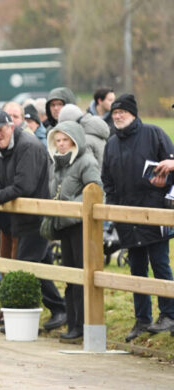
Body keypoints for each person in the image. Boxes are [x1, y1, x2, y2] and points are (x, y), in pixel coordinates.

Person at [0, 110, 67, 330]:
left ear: (11, 127)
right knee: (39, 266)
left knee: (23, 267)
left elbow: (25, 186)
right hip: (20, 218)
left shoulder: (28, 146)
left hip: (36, 217)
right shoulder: (0, 151)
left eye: (0, 130)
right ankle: (60, 309)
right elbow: (0, 181)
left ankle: (21, 316)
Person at [101, 94, 174, 341]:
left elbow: (172, 165)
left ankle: (169, 314)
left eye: (122, 112)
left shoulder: (154, 134)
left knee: (160, 265)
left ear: (133, 113)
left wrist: (165, 179)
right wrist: (113, 208)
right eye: (114, 113)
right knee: (137, 269)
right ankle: (142, 319)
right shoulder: (111, 143)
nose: (118, 116)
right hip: (126, 218)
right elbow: (107, 180)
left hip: (154, 213)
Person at [46, 121, 102, 340]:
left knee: (81, 275)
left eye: (65, 140)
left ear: (74, 140)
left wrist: (71, 209)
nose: (61, 145)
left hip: (81, 226)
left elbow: (96, 191)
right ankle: (72, 324)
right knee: (69, 275)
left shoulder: (87, 162)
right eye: (58, 140)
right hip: (64, 226)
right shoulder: (56, 163)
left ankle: (82, 324)